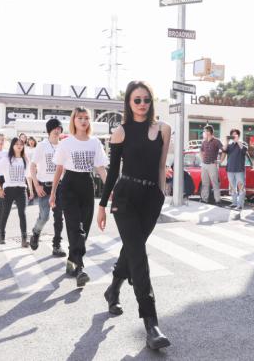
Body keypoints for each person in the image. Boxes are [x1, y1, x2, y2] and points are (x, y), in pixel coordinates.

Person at [98, 81, 171, 350]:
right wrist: (102, 205)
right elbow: (112, 173)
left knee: (132, 249)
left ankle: (113, 288)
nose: (142, 104)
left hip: (151, 199)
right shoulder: (121, 132)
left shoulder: (164, 129)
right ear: (129, 103)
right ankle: (151, 325)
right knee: (138, 255)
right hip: (125, 198)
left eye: (146, 99)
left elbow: (161, 166)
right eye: (137, 100)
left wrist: (161, 195)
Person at [50, 107, 108, 287]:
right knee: (75, 227)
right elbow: (59, 169)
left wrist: (110, 189)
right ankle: (80, 269)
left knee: (85, 228)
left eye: (86, 118)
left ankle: (72, 259)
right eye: (79, 118)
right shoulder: (65, 143)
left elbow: (100, 168)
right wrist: (53, 193)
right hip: (69, 186)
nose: (83, 121)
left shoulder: (95, 143)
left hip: (87, 185)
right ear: (73, 121)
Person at [29, 119, 67, 257]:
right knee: (44, 216)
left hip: (60, 187)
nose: (57, 130)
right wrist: (36, 185)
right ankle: (36, 232)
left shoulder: (63, 146)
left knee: (59, 217)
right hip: (44, 186)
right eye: (54, 128)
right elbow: (32, 166)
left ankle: (56, 245)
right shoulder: (42, 145)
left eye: (59, 128)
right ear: (49, 130)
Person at [0, 137, 34, 247]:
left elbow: (28, 176)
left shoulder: (25, 159)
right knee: (5, 213)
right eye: (17, 144)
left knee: (22, 214)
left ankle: (24, 239)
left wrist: (31, 190)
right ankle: (2, 235)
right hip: (8, 190)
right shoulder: (7, 159)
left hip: (21, 190)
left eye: (21, 144)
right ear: (12, 146)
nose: (19, 146)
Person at [224, 128, 248, 217]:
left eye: (235, 134)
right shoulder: (230, 145)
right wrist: (226, 141)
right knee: (232, 187)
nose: (233, 136)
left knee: (241, 187)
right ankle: (234, 203)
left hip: (239, 169)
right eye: (232, 134)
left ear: (238, 135)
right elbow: (224, 150)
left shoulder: (243, 143)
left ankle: (240, 205)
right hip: (230, 169)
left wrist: (237, 141)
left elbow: (244, 150)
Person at [199, 125, 223, 204]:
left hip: (212, 165)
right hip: (204, 165)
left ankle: (218, 200)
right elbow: (201, 151)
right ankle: (204, 199)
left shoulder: (216, 141)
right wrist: (202, 159)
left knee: (215, 183)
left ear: (209, 132)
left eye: (205, 131)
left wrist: (220, 160)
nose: (204, 133)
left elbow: (224, 150)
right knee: (205, 183)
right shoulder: (204, 141)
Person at [25, 136, 38, 206]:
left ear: (34, 141)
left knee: (36, 183)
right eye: (30, 140)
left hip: (35, 167)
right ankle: (31, 196)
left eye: (32, 140)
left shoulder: (37, 148)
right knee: (29, 185)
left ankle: (38, 196)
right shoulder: (26, 148)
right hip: (28, 167)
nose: (31, 142)